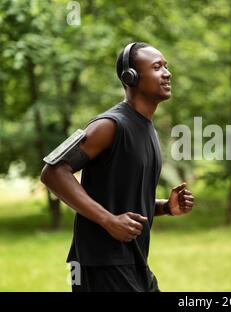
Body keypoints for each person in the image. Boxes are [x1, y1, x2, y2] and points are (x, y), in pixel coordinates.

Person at [40, 42, 194, 292]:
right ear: (130, 77)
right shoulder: (110, 125)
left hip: (133, 262)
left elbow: (119, 199)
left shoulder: (147, 128)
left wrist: (165, 207)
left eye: (166, 66)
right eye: (157, 67)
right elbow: (53, 172)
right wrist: (108, 220)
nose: (167, 73)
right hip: (101, 264)